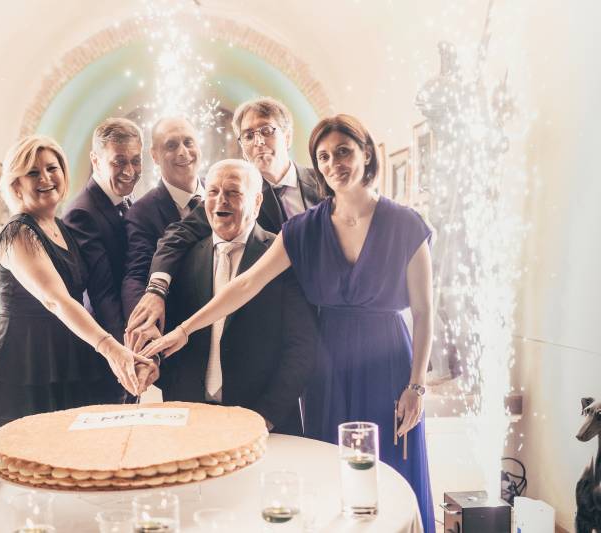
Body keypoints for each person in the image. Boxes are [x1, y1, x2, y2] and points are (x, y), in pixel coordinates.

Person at [142, 115, 435, 532]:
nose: (334, 163)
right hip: (328, 367)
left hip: (389, 365)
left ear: (366, 153)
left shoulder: (406, 224)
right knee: (330, 478)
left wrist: (417, 385)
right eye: (324, 156)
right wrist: (185, 329)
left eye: (344, 152)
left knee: (390, 474)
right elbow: (245, 284)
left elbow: (424, 311)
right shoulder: (302, 229)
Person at [0, 135, 154, 431]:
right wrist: (111, 349)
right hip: (24, 356)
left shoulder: (60, 227)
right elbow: (56, 299)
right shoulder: (18, 232)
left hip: (63, 348)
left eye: (52, 168)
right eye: (32, 172)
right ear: (16, 184)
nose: (46, 178)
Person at [126, 96, 323, 346]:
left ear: (287, 136)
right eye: (248, 135)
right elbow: (175, 237)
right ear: (243, 147)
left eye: (267, 130)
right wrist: (156, 290)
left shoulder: (323, 184)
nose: (259, 141)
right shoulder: (233, 195)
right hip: (277, 327)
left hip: (332, 312)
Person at [156, 159, 317, 435]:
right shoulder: (183, 258)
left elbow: (302, 349)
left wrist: (265, 418)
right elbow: (171, 340)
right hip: (191, 420)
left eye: (233, 192)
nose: (221, 200)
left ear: (256, 202)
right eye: (213, 192)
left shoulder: (282, 256)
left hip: (265, 423)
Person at [121, 116, 204, 341]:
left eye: (189, 142)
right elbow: (136, 275)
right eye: (171, 145)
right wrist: (145, 329)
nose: (182, 152)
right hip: (177, 333)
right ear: (154, 155)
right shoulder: (141, 212)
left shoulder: (221, 193)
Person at [63, 118, 143, 345]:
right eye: (118, 162)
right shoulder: (81, 214)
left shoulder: (127, 201)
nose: (129, 171)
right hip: (108, 341)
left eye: (136, 160)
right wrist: (127, 353)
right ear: (96, 161)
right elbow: (102, 294)